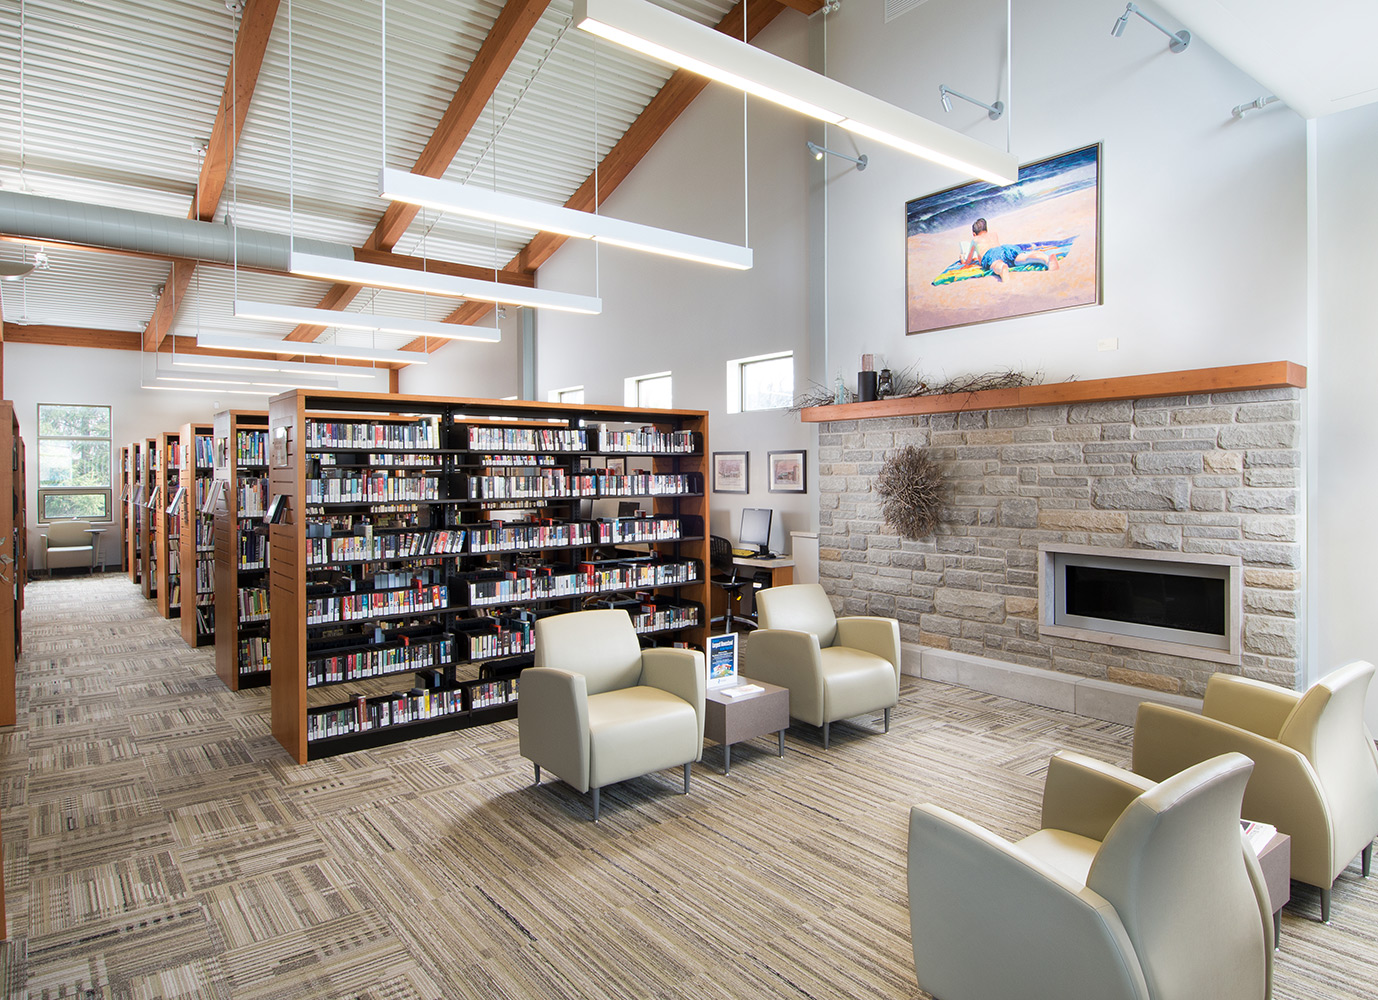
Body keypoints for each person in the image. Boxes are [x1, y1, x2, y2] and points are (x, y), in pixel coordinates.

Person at [962, 217, 1059, 282]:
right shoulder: (994, 234)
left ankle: (1002, 268)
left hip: (991, 254)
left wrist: (962, 259)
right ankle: (1046, 259)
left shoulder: (975, 240)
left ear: (974, 234)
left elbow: (968, 261)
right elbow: (998, 250)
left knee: (996, 263)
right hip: (1006, 248)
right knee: (1023, 257)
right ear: (986, 229)